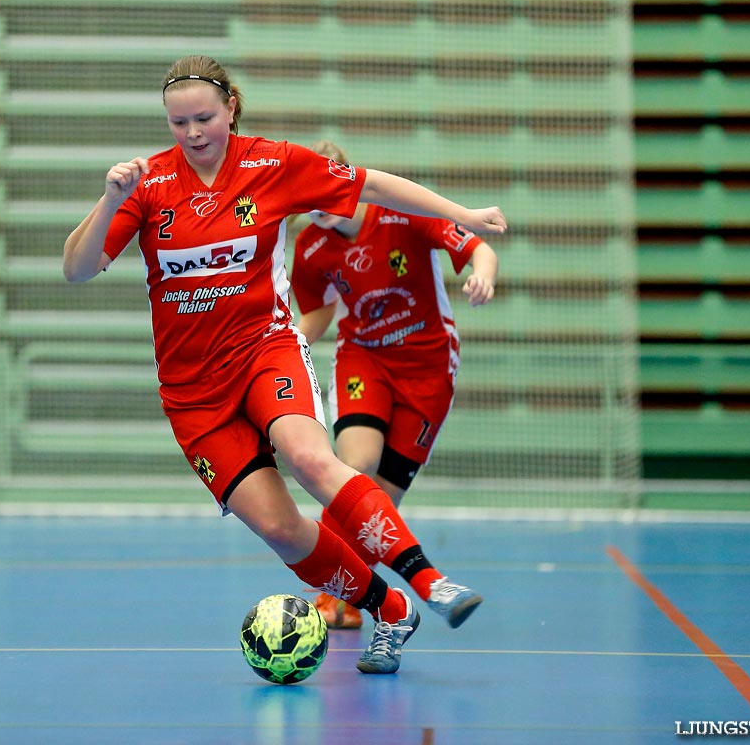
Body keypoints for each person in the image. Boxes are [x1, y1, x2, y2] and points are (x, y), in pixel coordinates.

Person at [62, 55, 507, 675]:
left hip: (264, 349)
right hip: (192, 394)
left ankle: (431, 581)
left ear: (231, 109)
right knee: (280, 527)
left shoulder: (274, 164)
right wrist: (111, 201)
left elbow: (372, 183)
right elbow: (76, 267)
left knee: (311, 457)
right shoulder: (149, 186)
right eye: (178, 122)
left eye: (204, 118)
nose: (192, 133)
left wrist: (462, 215)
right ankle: (392, 606)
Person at [291, 140, 498, 631]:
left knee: (383, 500)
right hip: (363, 360)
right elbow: (318, 310)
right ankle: (330, 598)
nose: (316, 202)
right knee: (354, 466)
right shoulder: (311, 247)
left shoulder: (400, 214)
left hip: (429, 368)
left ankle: (351, 596)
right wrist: (287, 343)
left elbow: (476, 247)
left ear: (344, 182)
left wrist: (482, 277)